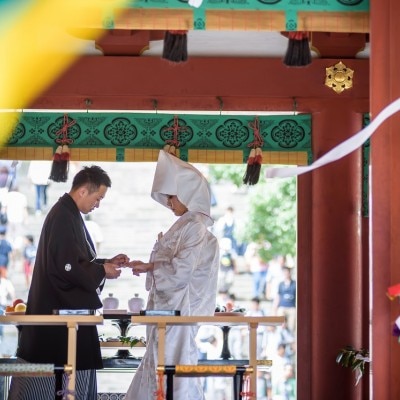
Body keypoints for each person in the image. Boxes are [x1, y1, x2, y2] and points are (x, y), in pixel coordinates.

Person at [8, 165, 130, 400]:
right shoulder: (63, 215)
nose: (98, 204)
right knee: (57, 385)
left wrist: (105, 264)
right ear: (84, 191)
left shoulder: (69, 213)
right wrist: (102, 270)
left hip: (66, 317)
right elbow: (68, 267)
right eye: (98, 198)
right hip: (58, 320)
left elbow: (76, 261)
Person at [125, 150, 220, 400]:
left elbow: (181, 272)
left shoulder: (195, 228)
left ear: (188, 194)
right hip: (166, 311)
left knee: (172, 369)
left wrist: (151, 267)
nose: (169, 202)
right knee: (159, 364)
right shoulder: (185, 226)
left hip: (180, 312)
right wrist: (150, 266)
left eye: (171, 196)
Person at [273, 266, 296, 334]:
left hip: (291, 307)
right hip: (282, 306)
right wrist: (275, 308)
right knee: (280, 321)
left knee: (291, 326)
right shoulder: (281, 284)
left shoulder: (294, 284)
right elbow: (278, 296)